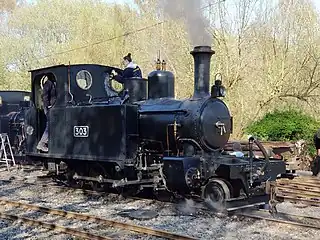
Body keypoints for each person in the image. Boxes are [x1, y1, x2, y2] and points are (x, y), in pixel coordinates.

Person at [36, 76, 56, 152]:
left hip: (53, 107)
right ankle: (41, 143)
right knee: (50, 125)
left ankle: (47, 141)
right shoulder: (48, 83)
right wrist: (48, 105)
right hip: (49, 107)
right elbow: (45, 96)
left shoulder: (54, 83)